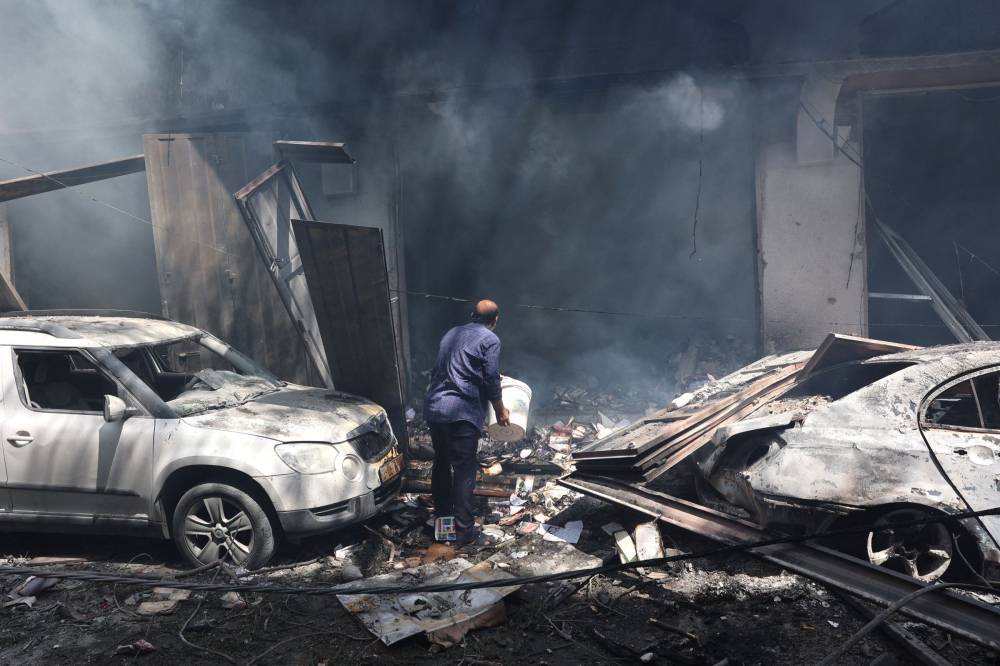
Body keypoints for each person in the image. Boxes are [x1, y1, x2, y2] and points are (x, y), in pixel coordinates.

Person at [424, 299, 510, 544]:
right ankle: (463, 533)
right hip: (461, 411)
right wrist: (501, 410)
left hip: (435, 407)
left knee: (441, 465)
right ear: (495, 320)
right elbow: (491, 378)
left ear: (472, 315)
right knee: (463, 471)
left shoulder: (452, 333)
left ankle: (444, 530)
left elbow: (449, 366)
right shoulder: (491, 339)